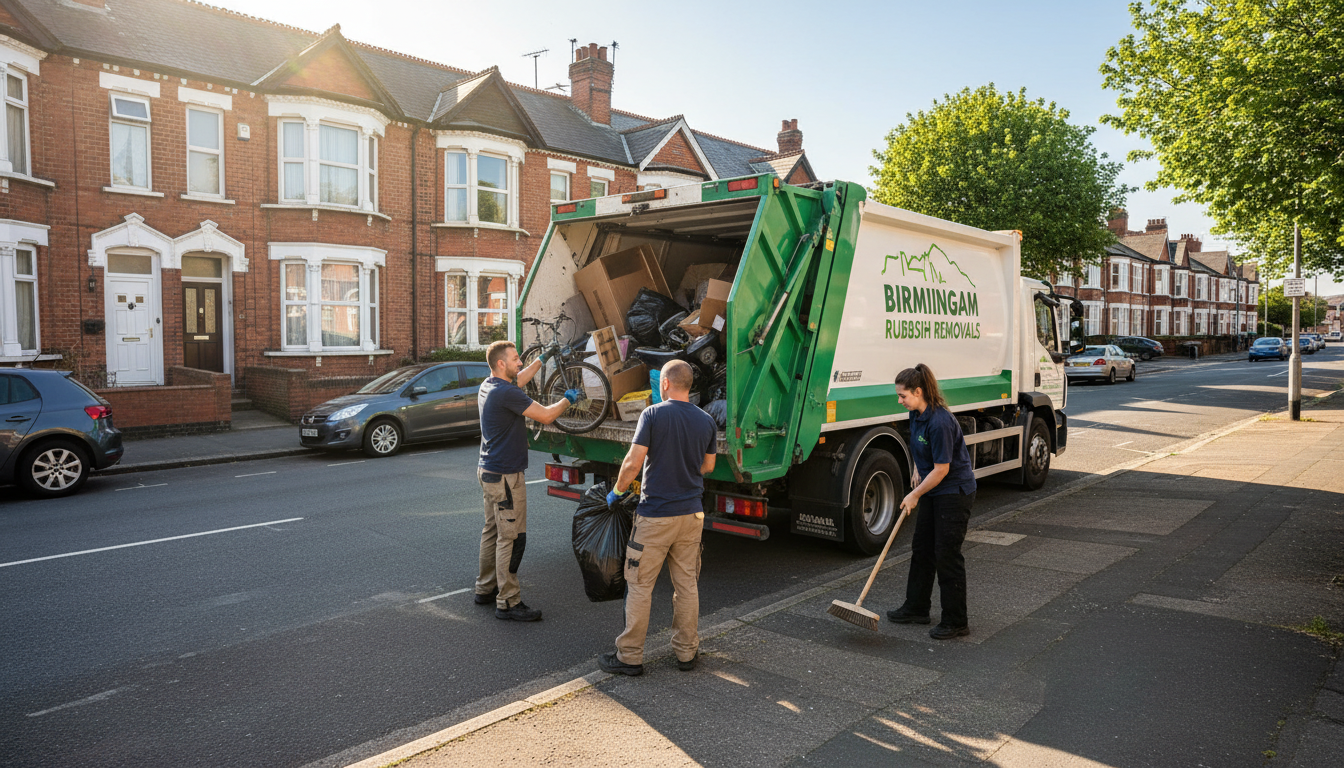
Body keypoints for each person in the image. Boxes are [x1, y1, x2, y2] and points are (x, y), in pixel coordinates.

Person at [598, 360, 717, 676]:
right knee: (687, 584)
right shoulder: (706, 421)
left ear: (664, 384)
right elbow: (709, 467)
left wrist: (617, 492)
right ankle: (686, 653)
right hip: (691, 515)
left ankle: (630, 657)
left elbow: (633, 462)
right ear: (688, 385)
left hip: (655, 517)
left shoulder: (652, 414)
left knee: (639, 585)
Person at [476, 339, 581, 621]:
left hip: (489, 471)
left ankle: (485, 588)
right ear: (501, 363)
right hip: (506, 478)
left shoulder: (490, 385)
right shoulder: (505, 394)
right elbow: (546, 416)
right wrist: (567, 400)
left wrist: (542, 358)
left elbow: (519, 380)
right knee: (512, 538)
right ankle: (508, 602)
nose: (519, 362)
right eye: (515, 358)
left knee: (492, 531)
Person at [885, 363, 978, 639]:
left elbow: (942, 469)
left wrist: (914, 494)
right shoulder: (916, 414)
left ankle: (956, 621)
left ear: (918, 391)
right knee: (922, 549)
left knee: (946, 554)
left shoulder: (940, 422)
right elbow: (919, 447)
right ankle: (916, 608)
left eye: (902, 395)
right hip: (933, 489)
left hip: (954, 492)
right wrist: (916, 467)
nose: (899, 400)